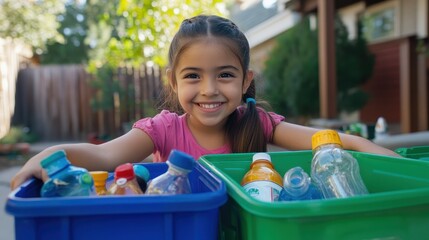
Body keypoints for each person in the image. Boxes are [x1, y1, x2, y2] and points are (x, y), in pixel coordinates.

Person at [10, 15, 399, 190]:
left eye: (225, 75)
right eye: (193, 76)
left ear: (246, 80)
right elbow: (102, 157)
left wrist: (382, 154)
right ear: (173, 82)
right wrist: (48, 157)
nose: (209, 89)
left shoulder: (258, 122)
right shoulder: (163, 129)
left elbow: (329, 141)